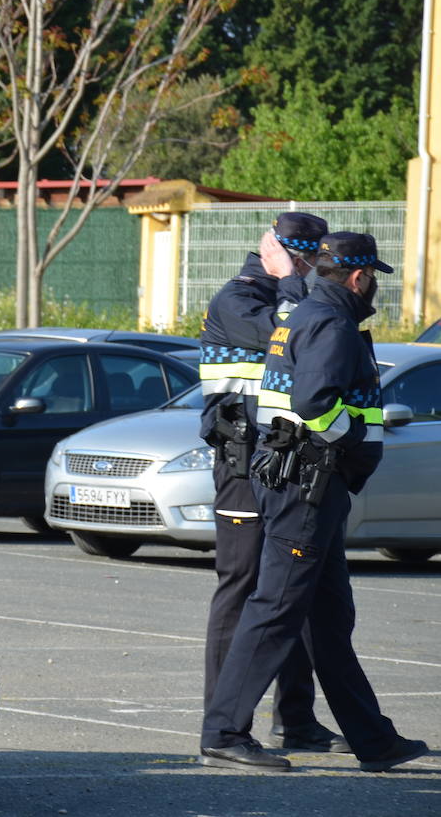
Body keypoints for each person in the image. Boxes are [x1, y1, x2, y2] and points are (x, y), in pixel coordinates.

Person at [199, 232, 430, 773]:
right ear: (357, 277)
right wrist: (350, 435)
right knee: (274, 610)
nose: (374, 286)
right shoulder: (331, 322)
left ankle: (374, 740)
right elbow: (313, 401)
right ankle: (224, 732)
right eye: (372, 276)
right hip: (308, 488)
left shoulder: (306, 313)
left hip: (310, 488)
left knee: (329, 620)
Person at [198, 211, 348, 755]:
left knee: (291, 591)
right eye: (306, 257)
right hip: (241, 462)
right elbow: (291, 332)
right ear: (279, 252)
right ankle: (222, 719)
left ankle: (296, 719)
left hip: (281, 463)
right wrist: (287, 277)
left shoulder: (295, 295)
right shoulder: (238, 299)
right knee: (241, 587)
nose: (313, 268)